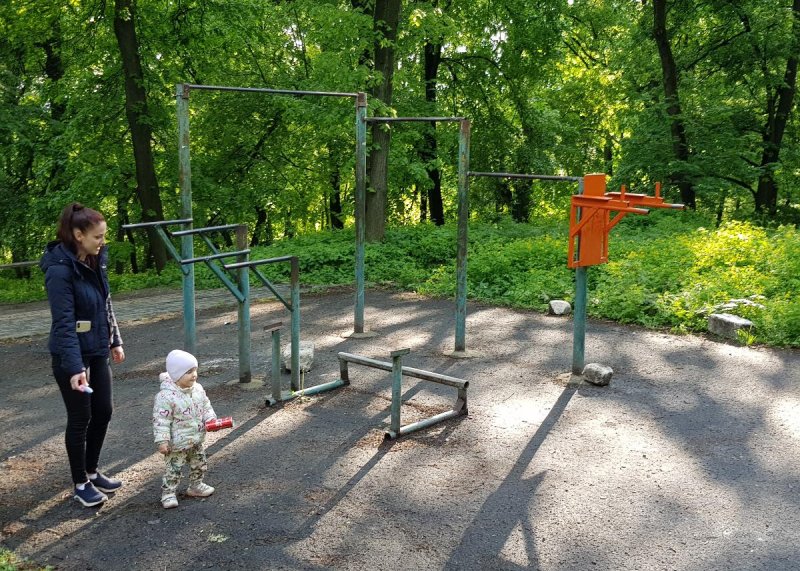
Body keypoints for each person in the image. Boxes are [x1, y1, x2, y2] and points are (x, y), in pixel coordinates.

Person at [40, 202, 126, 508]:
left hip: (96, 349)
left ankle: (92, 470)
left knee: (103, 410)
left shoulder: (95, 259)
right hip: (70, 357)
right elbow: (63, 323)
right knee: (81, 418)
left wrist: (114, 339)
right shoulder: (59, 271)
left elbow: (105, 302)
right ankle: (80, 483)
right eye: (98, 237)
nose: (103, 242)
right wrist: (76, 367)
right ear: (78, 234)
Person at [153, 349, 217, 509]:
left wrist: (210, 419)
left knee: (200, 463)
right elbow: (161, 420)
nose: (194, 375)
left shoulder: (197, 389)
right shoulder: (165, 397)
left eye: (195, 370)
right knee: (174, 469)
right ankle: (168, 493)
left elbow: (205, 405)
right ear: (176, 375)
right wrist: (162, 440)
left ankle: (196, 485)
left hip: (195, 438)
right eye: (188, 372)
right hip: (177, 443)